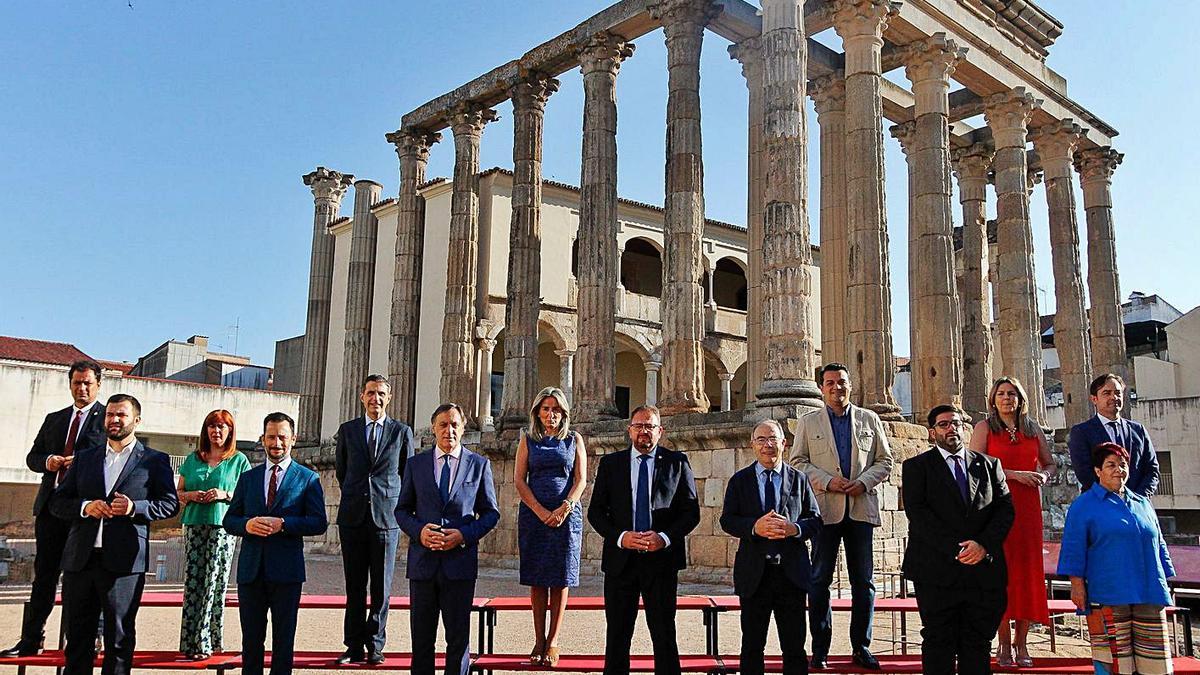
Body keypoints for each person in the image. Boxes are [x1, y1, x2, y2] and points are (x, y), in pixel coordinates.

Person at [50, 394, 180, 675]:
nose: (114, 420)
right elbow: (58, 502)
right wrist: (86, 507)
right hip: (80, 561)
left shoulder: (154, 460)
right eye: (110, 415)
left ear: (136, 420)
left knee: (119, 639)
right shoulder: (85, 458)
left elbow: (170, 503)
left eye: (121, 415)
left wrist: (135, 507)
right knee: (77, 639)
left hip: (124, 564)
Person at [789, 363, 892, 670]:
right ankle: (820, 648)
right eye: (830, 382)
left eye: (842, 382)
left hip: (860, 507)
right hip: (826, 510)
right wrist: (828, 481)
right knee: (819, 580)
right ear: (822, 387)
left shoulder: (869, 419)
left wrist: (863, 482)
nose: (837, 387)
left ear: (851, 385)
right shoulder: (809, 422)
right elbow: (798, 462)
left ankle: (861, 646)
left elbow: (885, 460)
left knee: (864, 582)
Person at [3, 360, 109, 658]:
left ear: (98, 385)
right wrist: (47, 461)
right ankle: (31, 639)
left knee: (88, 576)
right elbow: (32, 457)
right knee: (44, 576)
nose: (82, 388)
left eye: (88, 383)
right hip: (51, 508)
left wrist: (83, 464)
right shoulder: (54, 419)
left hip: (84, 510)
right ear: (70, 384)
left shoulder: (106, 420)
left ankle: (93, 637)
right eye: (77, 382)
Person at [587, 405, 700, 675]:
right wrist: (621, 537)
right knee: (617, 636)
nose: (644, 431)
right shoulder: (611, 464)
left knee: (663, 635)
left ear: (660, 431)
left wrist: (664, 538)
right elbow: (595, 512)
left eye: (650, 426)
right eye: (638, 426)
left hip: (661, 562)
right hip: (620, 562)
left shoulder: (677, 462)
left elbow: (691, 513)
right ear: (630, 430)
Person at [902, 404, 1014, 675]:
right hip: (937, 573)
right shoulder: (917, 467)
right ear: (932, 432)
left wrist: (982, 545)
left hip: (982, 572)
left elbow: (1005, 509)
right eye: (943, 424)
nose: (951, 428)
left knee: (977, 645)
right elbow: (919, 515)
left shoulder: (989, 465)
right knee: (938, 643)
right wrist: (958, 550)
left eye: (956, 423)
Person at [396, 403, 500, 675]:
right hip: (423, 565)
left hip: (459, 565)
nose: (449, 430)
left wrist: (464, 535)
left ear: (463, 428)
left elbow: (491, 514)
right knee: (421, 642)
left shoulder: (479, 465)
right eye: (443, 424)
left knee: (457, 642)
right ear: (433, 429)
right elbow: (402, 510)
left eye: (455, 424)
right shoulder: (415, 465)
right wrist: (419, 532)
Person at [223, 412, 328, 675]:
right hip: (251, 572)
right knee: (251, 642)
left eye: (282, 437)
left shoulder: (308, 478)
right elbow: (230, 519)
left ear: (293, 439)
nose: (276, 443)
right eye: (271, 437)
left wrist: (285, 523)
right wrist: (246, 525)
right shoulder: (248, 478)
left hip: (286, 572)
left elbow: (318, 522)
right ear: (262, 439)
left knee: (284, 642)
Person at [1059, 442, 1176, 674]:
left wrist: (1165, 580)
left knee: (1155, 664)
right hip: (1107, 594)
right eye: (1110, 465)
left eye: (1122, 465)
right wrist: (1077, 585)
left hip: (1148, 592)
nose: (1118, 470)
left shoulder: (1142, 503)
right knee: (1114, 663)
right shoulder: (1083, 506)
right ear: (1097, 471)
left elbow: (1159, 543)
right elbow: (1074, 548)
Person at [720, 420, 822, 675]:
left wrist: (793, 529)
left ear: (784, 443)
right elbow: (728, 520)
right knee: (752, 645)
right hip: (755, 575)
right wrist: (755, 527)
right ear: (752, 445)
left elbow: (815, 520)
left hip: (791, 575)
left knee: (794, 647)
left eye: (773, 439)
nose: (768, 445)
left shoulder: (799, 479)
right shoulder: (740, 481)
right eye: (761, 440)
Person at [969, 377, 1054, 668]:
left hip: (1028, 509)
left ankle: (1022, 642)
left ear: (1020, 398)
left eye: (1012, 393)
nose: (1007, 398)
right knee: (1001, 576)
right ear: (993, 400)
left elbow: (1049, 462)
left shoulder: (1033, 429)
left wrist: (1045, 476)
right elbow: (975, 465)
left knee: (1028, 574)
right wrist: (1016, 475)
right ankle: (1003, 642)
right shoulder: (984, 428)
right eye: (1001, 394)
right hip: (997, 506)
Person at [333, 374, 414, 665]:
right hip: (353, 516)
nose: (375, 399)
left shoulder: (401, 432)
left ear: (388, 398)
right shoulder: (348, 430)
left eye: (380, 393)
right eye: (370, 393)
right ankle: (353, 645)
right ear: (361, 396)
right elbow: (343, 472)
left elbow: (407, 475)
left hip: (386, 518)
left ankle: (375, 645)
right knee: (354, 586)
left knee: (381, 586)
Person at [514, 387, 586, 667]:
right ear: (537, 412)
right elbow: (520, 479)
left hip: (566, 515)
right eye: (545, 408)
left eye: (556, 409)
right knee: (537, 578)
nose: (551, 414)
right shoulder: (528, 439)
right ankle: (538, 638)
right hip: (534, 514)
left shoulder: (573, 439)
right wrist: (540, 511)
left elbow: (580, 479)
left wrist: (565, 508)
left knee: (560, 577)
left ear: (564, 413)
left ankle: (553, 639)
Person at [176, 409, 251, 659]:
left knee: (213, 583)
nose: (216, 431)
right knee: (193, 583)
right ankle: (189, 641)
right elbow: (179, 494)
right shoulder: (193, 458)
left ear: (230, 431)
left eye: (221, 427)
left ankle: (207, 641)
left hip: (223, 526)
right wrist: (192, 496)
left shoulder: (239, 460)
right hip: (195, 523)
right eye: (212, 426)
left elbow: (248, 497)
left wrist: (224, 495)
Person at [1069, 373, 1159, 497]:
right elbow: (1084, 472)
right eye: (1107, 393)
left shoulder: (1138, 430)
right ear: (1094, 399)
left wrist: (1138, 498)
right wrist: (1112, 498)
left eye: (1117, 393)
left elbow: (1152, 469)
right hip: (1100, 504)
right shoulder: (1081, 432)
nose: (1114, 397)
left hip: (1136, 505)